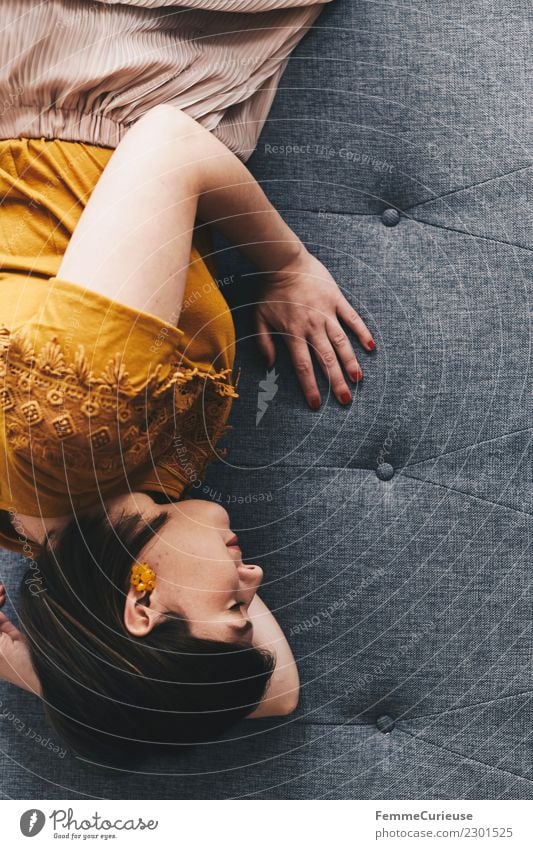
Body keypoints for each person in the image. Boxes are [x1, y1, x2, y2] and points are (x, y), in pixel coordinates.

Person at [0, 20, 376, 764]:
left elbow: (168, 144)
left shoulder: (78, 430)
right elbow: (276, 692)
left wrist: (285, 267)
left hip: (101, 60)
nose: (253, 578)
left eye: (233, 604)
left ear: (140, 604)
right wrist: (61, 668)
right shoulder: (51, 511)